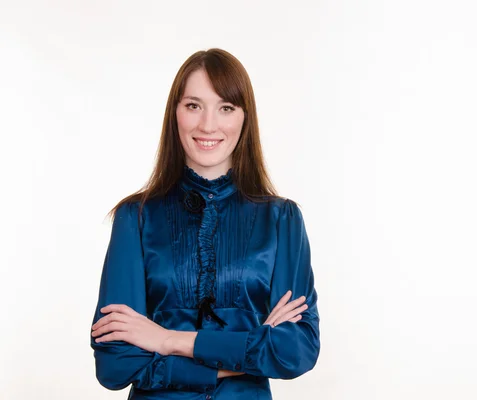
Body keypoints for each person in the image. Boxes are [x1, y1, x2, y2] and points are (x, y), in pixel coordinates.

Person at [90, 48, 320, 400]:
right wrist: (251, 349)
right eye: (194, 105)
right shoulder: (135, 217)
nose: (208, 125)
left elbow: (296, 350)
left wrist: (168, 340)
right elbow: (115, 364)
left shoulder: (282, 220)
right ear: (175, 114)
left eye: (225, 108)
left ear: (245, 118)